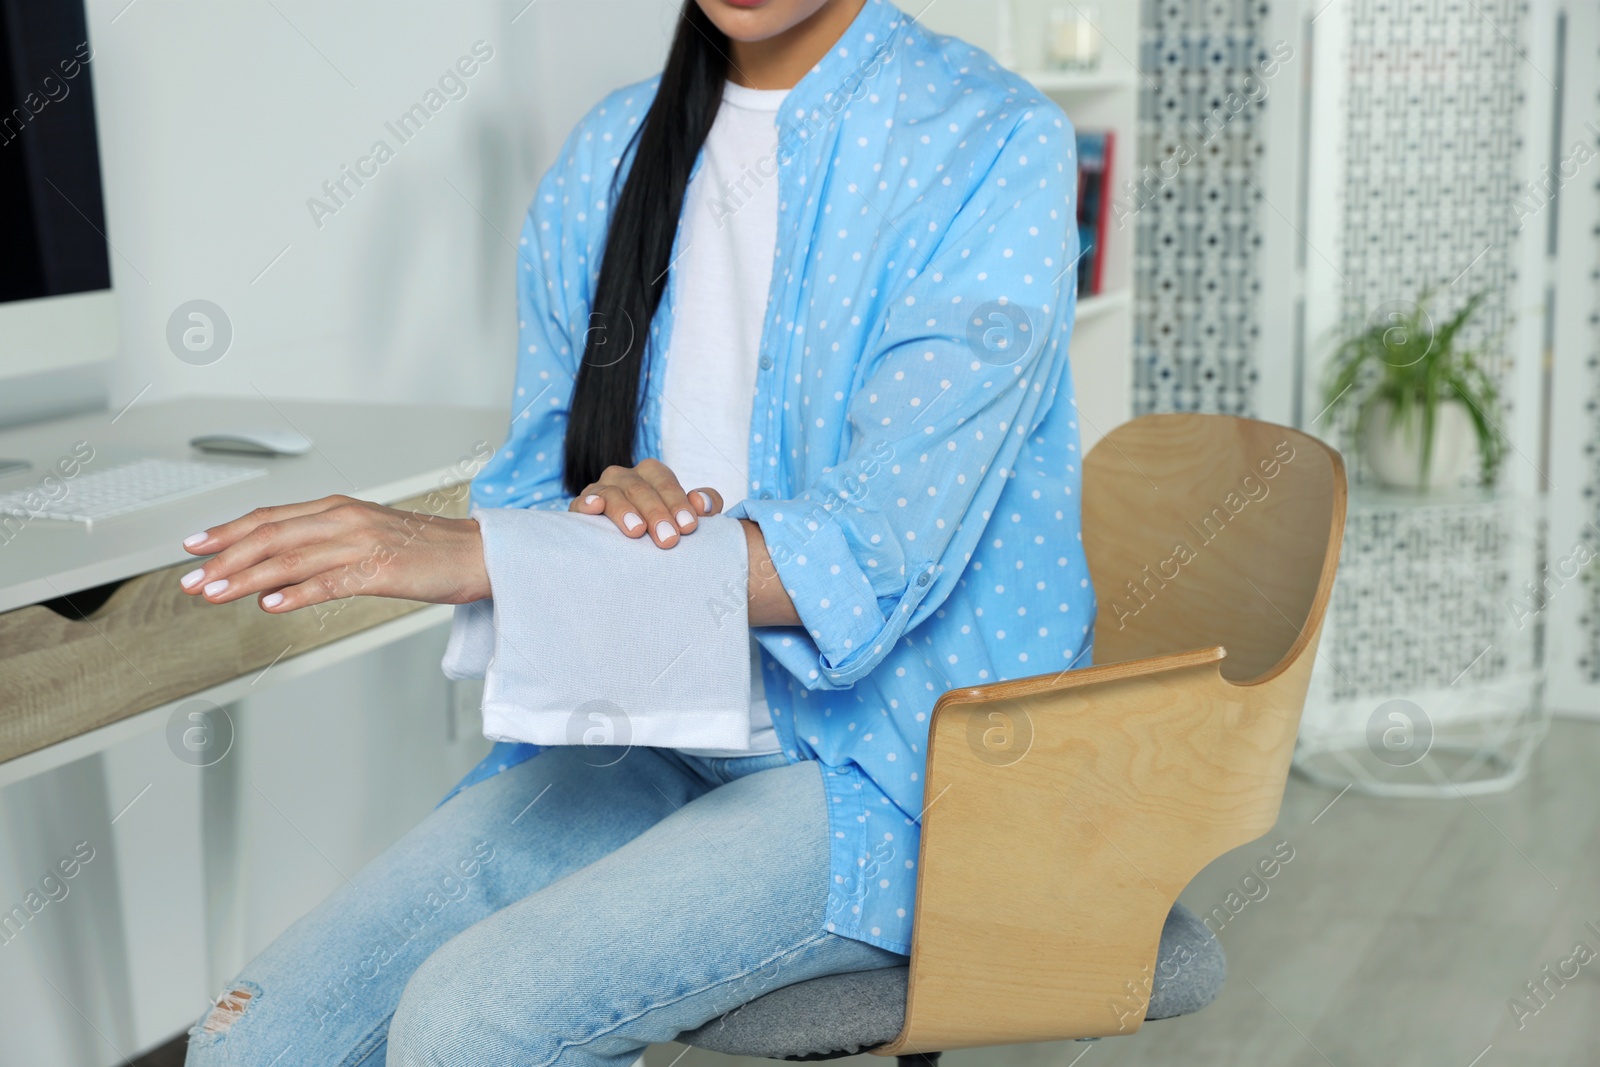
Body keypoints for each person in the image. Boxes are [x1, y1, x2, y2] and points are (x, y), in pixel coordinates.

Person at [179, 0, 1090, 1062]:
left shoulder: (991, 144)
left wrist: (483, 552)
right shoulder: (613, 151)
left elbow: (877, 553)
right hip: (657, 727)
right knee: (253, 1037)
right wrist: (592, 518)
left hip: (904, 772)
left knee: (474, 1020)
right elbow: (540, 478)